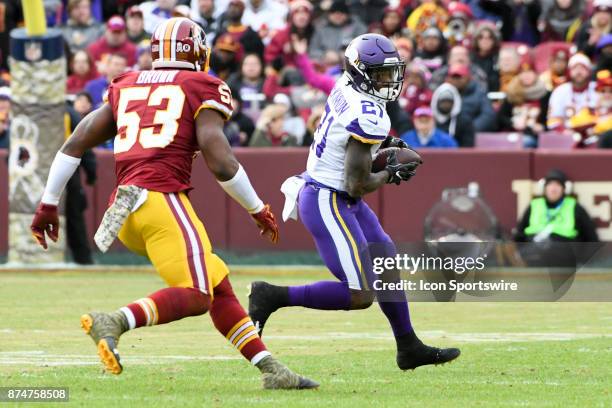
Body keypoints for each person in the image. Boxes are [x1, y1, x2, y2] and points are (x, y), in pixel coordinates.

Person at [30, 17, 317, 390]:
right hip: (160, 200)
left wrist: (48, 203)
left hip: (125, 209)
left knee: (216, 285)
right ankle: (115, 320)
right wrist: (256, 207)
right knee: (197, 295)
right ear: (196, 51)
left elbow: (76, 142)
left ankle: (272, 369)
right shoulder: (201, 85)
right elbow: (220, 159)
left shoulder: (126, 83)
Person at [248, 33, 460, 371]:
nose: (389, 80)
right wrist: (391, 173)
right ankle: (271, 295)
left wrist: (384, 145)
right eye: (380, 73)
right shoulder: (369, 113)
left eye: (391, 72)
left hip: (338, 196)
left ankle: (408, 346)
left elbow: (349, 148)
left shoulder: (346, 84)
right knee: (360, 294)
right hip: (328, 200)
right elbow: (358, 182)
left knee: (386, 261)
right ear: (362, 72)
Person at [515, 170, 599, 242]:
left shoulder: (575, 207)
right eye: (550, 184)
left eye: (558, 185)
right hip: (534, 253)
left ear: (564, 189)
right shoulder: (534, 205)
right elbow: (519, 236)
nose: (553, 189)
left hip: (563, 255)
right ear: (544, 188)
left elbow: (591, 238)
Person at [547, 53, 598, 131]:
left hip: (596, 132)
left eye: (583, 68)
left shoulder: (599, 88)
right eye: (575, 68)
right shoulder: (560, 91)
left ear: (589, 71)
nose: (579, 72)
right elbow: (553, 120)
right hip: (567, 135)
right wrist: (563, 130)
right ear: (569, 72)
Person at [445, 63, 497, 133]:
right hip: (447, 133)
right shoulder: (442, 93)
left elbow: (488, 115)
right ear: (447, 79)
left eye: (459, 77)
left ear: (468, 78)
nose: (455, 80)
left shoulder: (479, 93)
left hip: (473, 133)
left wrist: (469, 129)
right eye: (453, 77)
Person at [431, 82, 474, 147]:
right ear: (436, 102)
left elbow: (468, 147)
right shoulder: (429, 120)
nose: (445, 105)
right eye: (443, 101)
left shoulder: (464, 121)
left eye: (449, 102)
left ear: (455, 102)